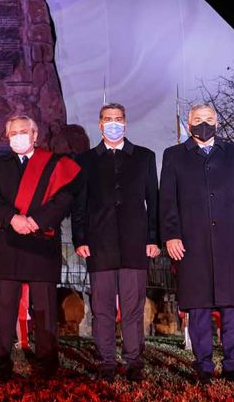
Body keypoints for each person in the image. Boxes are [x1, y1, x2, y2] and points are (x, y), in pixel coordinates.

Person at [160, 103, 234, 383]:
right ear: (188, 123)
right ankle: (203, 365)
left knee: (232, 308)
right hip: (192, 243)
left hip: (231, 243)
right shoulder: (174, 156)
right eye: (197, 119)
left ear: (218, 122)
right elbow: (167, 202)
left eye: (208, 118)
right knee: (198, 307)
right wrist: (171, 234)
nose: (203, 123)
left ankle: (233, 366)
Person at [0, 115, 80, 380]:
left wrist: (37, 221)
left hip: (41, 242)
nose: (18, 136)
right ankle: (1, 364)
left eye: (23, 131)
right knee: (4, 310)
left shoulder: (53, 164)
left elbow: (64, 199)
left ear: (35, 135)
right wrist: (12, 218)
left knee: (45, 310)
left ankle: (47, 364)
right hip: (8, 242)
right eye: (13, 132)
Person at [72, 103, 159, 381]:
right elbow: (80, 204)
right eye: (108, 119)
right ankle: (106, 360)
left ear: (125, 123)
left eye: (118, 119)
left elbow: (153, 202)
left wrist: (153, 238)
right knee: (102, 307)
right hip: (100, 244)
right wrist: (80, 238)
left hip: (135, 244)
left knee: (133, 307)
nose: (113, 123)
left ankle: (134, 360)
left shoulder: (144, 157)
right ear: (99, 125)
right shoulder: (85, 160)